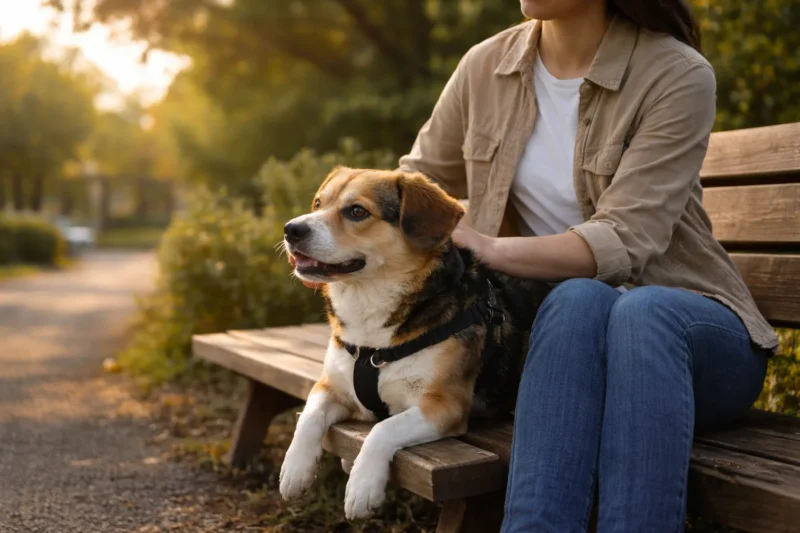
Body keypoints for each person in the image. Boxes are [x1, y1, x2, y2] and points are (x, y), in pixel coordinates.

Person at [294, 1, 777, 530]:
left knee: (635, 311)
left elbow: (627, 238)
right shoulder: (486, 66)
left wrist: (492, 249)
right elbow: (413, 185)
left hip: (691, 338)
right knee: (575, 298)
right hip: (568, 334)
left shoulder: (676, 73)